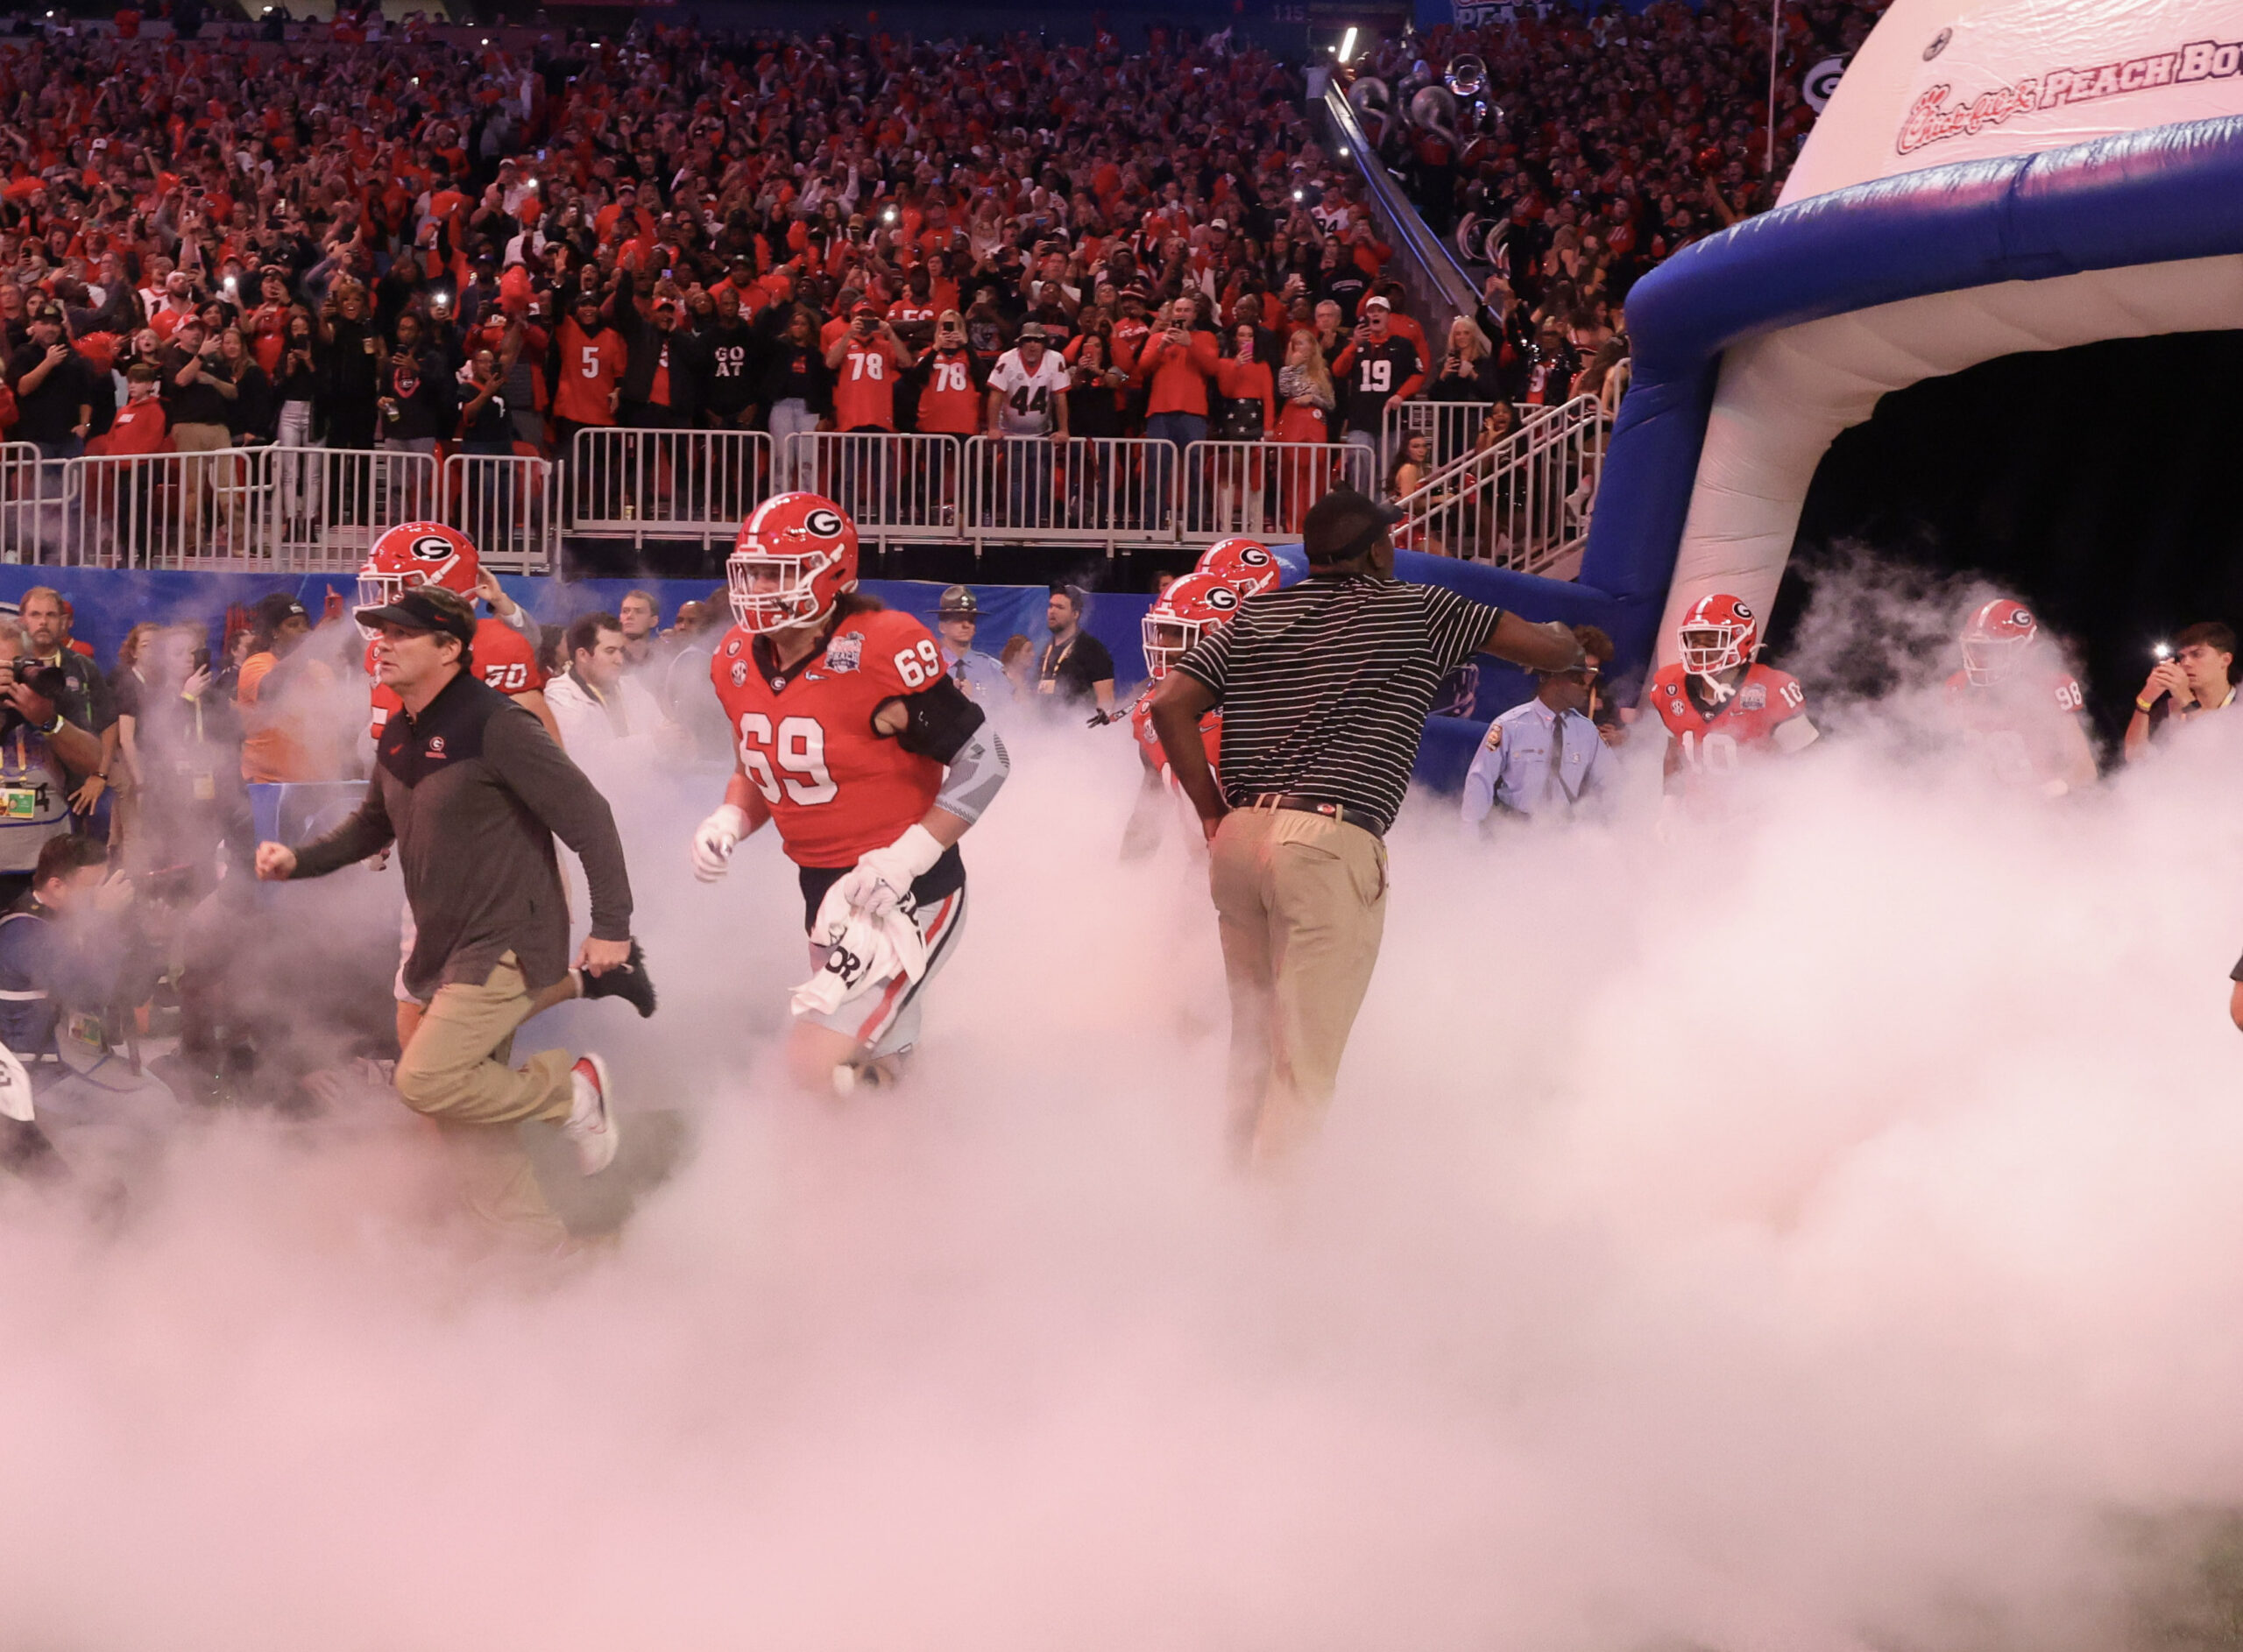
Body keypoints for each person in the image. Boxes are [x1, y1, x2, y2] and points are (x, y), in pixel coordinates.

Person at [1148, 487, 1583, 1163]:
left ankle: (1225, 1205)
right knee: (1304, 1066)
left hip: (1240, 838)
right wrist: (1567, 641)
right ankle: (1268, 1244)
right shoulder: (1420, 607)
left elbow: (1171, 702)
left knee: (1252, 1049)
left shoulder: (1256, 616)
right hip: (1326, 840)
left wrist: (1211, 814)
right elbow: (1547, 653)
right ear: (1380, 550)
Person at [255, 584, 652, 1243]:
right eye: (380, 632)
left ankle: (569, 1091)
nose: (382, 644)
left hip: (507, 938)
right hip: (447, 943)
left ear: (449, 648)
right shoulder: (401, 730)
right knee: (471, 1113)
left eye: (402, 634)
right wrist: (298, 863)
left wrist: (611, 925)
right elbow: (369, 828)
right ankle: (533, 1248)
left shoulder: (496, 722)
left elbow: (589, 817)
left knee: (426, 1080)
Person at [690, 492, 1010, 1094]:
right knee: (881, 1062)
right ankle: (920, 1164)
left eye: (778, 572)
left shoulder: (881, 646)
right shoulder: (733, 655)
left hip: (908, 891)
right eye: (752, 570)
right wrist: (731, 816)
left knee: (815, 1061)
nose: (759, 586)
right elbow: (759, 766)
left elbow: (986, 759)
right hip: (823, 890)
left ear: (831, 576)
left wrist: (906, 858)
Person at [0, 835, 179, 1195]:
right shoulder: (24, 931)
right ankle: (120, 1211)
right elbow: (87, 992)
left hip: (77, 1059)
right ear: (56, 886)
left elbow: (128, 996)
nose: (104, 894)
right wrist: (102, 921)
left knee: (158, 1098)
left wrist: (156, 941)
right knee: (156, 1107)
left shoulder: (70, 923)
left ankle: (134, 1202)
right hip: (39, 1076)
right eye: (93, 886)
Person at [1645, 593, 1820, 810]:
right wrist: (1669, 807)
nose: (1699, 650)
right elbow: (1675, 754)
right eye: (1694, 640)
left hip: (1759, 821)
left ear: (1741, 639)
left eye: (1710, 640)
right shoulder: (1670, 687)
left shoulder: (1772, 688)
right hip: (1698, 819)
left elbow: (1810, 761)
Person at [1122, 572, 1242, 859]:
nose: (1162, 643)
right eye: (1161, 630)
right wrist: (1123, 879)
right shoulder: (1154, 711)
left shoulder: (1251, 707)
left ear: (1217, 637)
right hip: (1203, 868)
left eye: (1177, 632)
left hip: (1254, 865)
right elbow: (1148, 815)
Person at [0, 616, 105, 908]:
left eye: (16, 664)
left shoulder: (50, 699)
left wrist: (48, 721)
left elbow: (93, 761)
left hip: (47, 875)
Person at [1461, 625, 1614, 825]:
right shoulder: (1509, 725)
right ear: (1556, 678)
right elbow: (1480, 782)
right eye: (1577, 678)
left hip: (1563, 834)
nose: (1586, 683)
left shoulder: (1587, 732)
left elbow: (1613, 784)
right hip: (1512, 831)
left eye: (1589, 674)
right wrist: (1471, 841)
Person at [1944, 597, 2097, 795]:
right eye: (1975, 647)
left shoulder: (2050, 689)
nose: (1979, 658)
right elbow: (1951, 761)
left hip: (2045, 813)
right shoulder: (1958, 687)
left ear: (2023, 650)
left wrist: (2050, 791)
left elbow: (2085, 770)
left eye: (1991, 648)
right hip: (1986, 812)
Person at [236, 591, 347, 784]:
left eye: (305, 624)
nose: (303, 630)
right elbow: (269, 691)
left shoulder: (322, 670)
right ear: (274, 632)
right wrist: (312, 642)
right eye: (293, 625)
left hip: (317, 782)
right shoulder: (256, 664)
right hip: (269, 782)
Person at [544, 611, 668, 766]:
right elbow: (585, 756)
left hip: (650, 785)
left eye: (621, 651)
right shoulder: (561, 697)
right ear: (583, 655)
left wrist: (678, 747)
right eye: (610, 651)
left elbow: (663, 734)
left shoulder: (633, 687)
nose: (620, 660)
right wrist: (653, 743)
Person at [2125, 621, 2237, 762]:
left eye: (2197, 654)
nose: (2186, 663)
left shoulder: (2238, 705)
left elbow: (2220, 755)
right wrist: (2145, 700)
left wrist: (2185, 698)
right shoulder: (2169, 708)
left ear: (2225, 660)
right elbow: (2134, 759)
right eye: (2182, 657)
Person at [1036, 583, 1115, 717]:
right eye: (1051, 606)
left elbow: (1106, 700)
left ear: (1075, 614)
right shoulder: (1047, 649)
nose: (1052, 611)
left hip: (1076, 729)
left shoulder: (1092, 649)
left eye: (1060, 607)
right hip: (1044, 730)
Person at [933, 586, 1010, 703]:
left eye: (971, 620)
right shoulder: (930, 667)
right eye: (958, 619)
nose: (966, 625)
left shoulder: (993, 669)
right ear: (942, 627)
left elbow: (1009, 711)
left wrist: (977, 700)